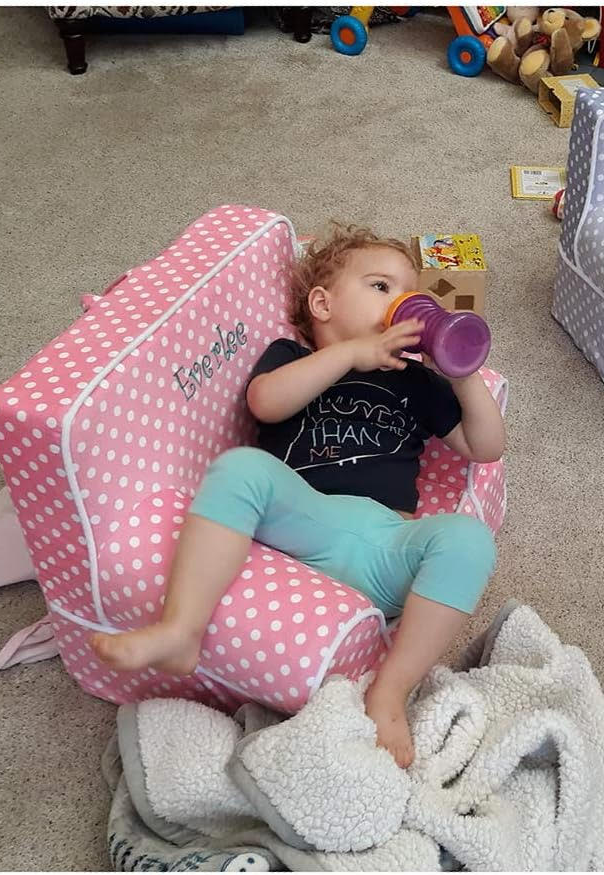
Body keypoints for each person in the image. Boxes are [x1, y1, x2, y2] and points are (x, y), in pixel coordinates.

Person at [91, 224, 505, 768]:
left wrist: (462, 373)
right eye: (382, 287)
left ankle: (390, 690)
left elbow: (486, 446)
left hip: (385, 542)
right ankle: (181, 629)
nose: (403, 303)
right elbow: (265, 403)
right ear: (322, 304)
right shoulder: (290, 355)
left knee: (468, 539)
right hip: (303, 524)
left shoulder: (417, 381)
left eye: (412, 293)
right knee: (241, 468)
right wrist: (352, 354)